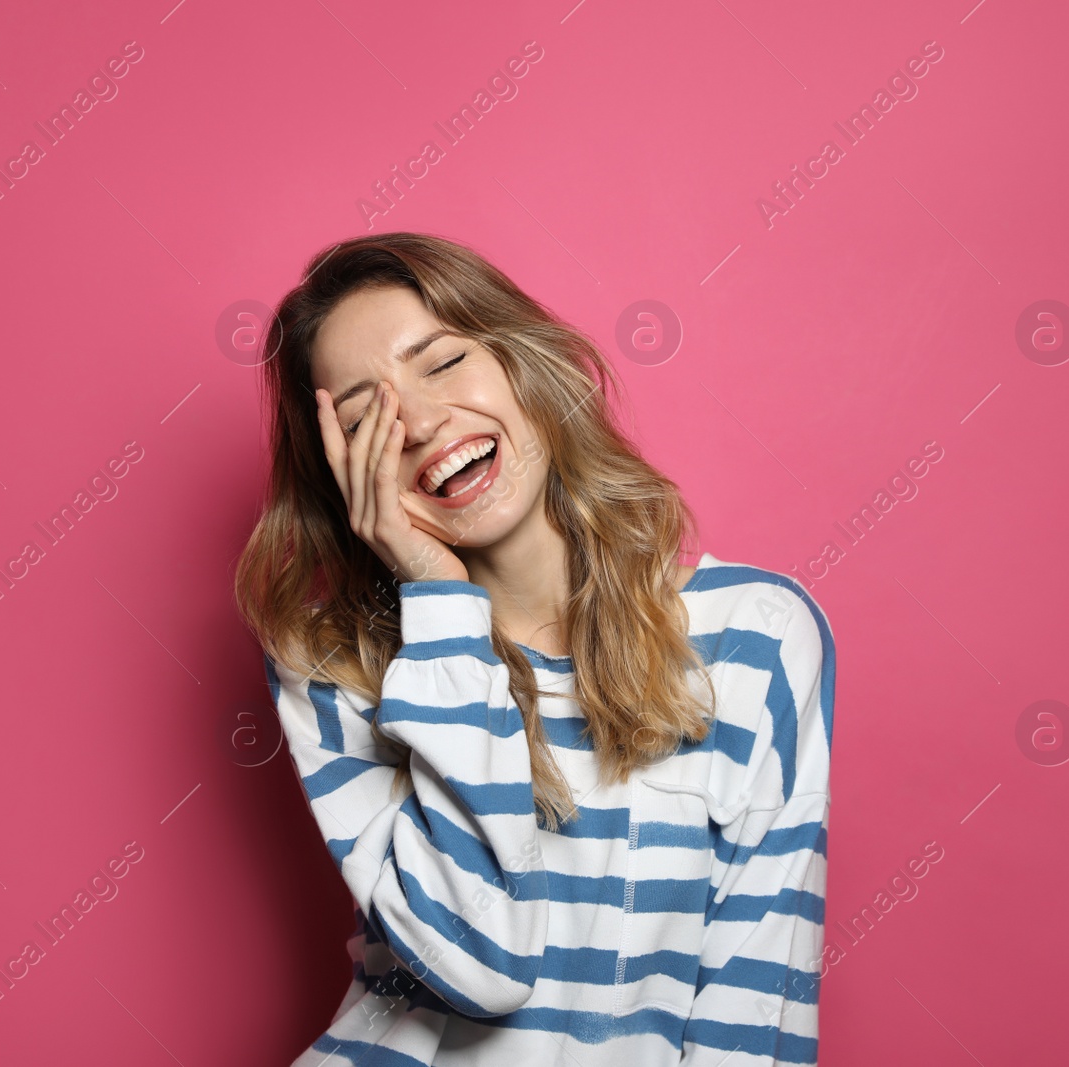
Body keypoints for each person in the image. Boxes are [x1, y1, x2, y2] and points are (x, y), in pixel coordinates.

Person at [233, 232, 836, 1065]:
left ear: (522, 361)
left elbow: (755, 1018)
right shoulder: (332, 664)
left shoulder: (757, 638)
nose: (419, 423)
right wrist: (439, 605)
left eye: (442, 363)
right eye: (367, 418)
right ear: (344, 480)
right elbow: (482, 963)